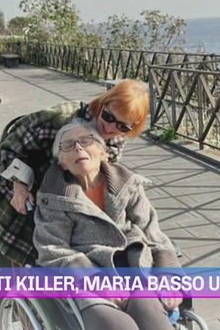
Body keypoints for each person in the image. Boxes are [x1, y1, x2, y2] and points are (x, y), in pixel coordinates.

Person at [33, 120, 182, 330]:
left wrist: (168, 276)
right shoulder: (55, 198)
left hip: (134, 270)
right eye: (68, 145)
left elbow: (153, 234)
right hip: (86, 278)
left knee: (148, 310)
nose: (78, 147)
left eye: (86, 140)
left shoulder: (128, 185)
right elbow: (52, 249)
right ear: (62, 163)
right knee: (118, 326)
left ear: (103, 152)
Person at [0, 79, 150, 266]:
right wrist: (19, 185)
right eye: (108, 116)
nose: (110, 128)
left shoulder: (116, 142)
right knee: (28, 255)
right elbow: (11, 145)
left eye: (122, 126)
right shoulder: (62, 116)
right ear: (103, 103)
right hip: (27, 190)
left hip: (66, 203)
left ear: (132, 127)